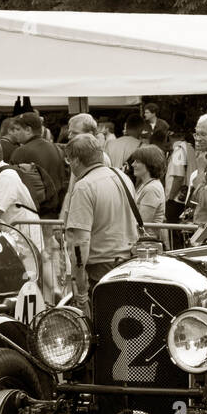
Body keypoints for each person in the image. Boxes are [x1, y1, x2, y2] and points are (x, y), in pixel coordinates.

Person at [63, 133, 140, 311]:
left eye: (69, 161)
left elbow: (80, 241)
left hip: (101, 271)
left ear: (75, 160)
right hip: (128, 264)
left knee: (102, 328)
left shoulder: (84, 186)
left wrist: (80, 287)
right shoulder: (122, 177)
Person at [8, 112, 67, 214]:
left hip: (33, 212)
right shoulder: (57, 148)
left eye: (18, 129)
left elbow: (12, 185)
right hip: (56, 211)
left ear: (28, 130)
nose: (15, 133)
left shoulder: (21, 152)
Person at [129, 145, 167, 239]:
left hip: (146, 244)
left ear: (149, 164)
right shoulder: (146, 185)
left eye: (137, 161)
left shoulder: (151, 189)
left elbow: (141, 223)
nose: (133, 164)